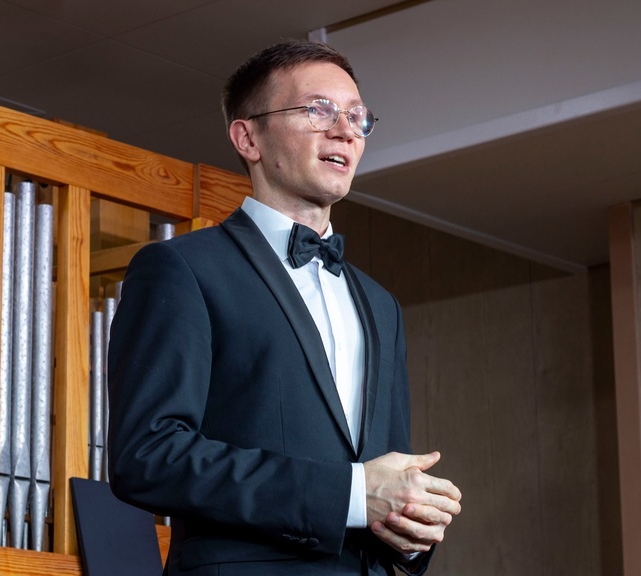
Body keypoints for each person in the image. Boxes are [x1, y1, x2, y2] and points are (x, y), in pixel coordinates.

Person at [107, 39, 462, 575]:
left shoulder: (380, 304)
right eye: (318, 110)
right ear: (247, 138)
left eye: (357, 116)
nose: (344, 130)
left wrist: (412, 525)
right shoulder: (181, 269)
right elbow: (148, 457)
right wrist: (350, 494)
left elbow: (381, 482)